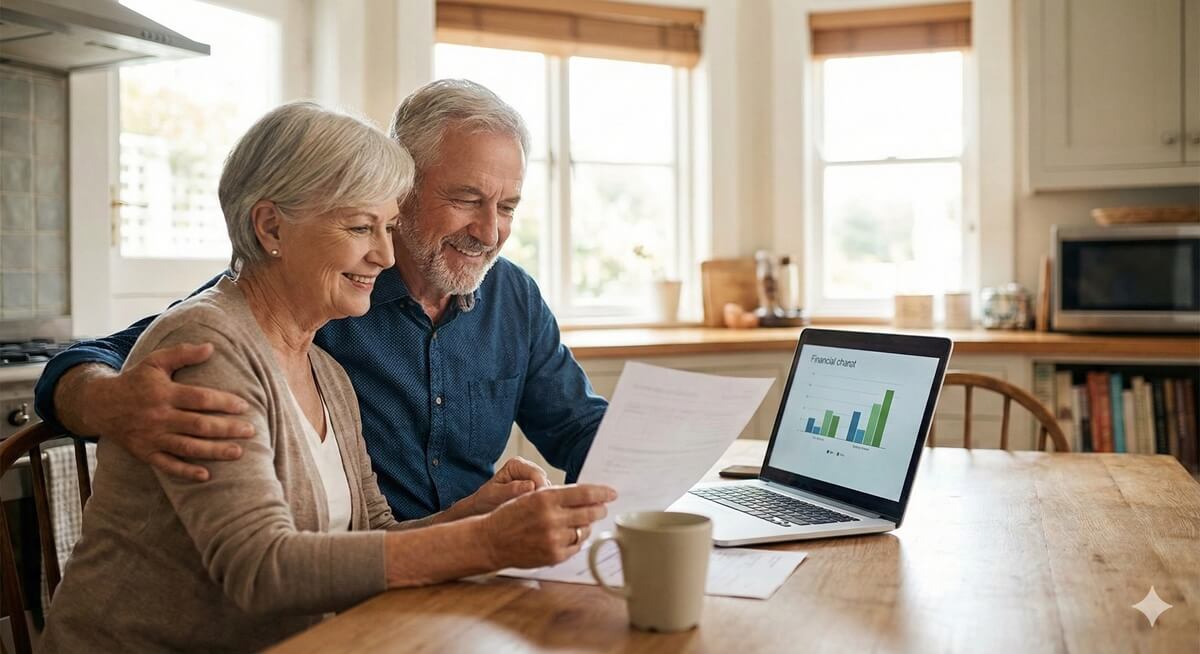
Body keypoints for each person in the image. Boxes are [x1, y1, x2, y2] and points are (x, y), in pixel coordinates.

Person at [39, 102, 615, 653]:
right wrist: (484, 542)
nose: (384, 256)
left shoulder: (325, 367)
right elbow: (261, 570)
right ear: (271, 228)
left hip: (349, 624)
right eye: (362, 227)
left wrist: (481, 513)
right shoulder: (210, 345)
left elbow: (371, 531)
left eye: (508, 206)